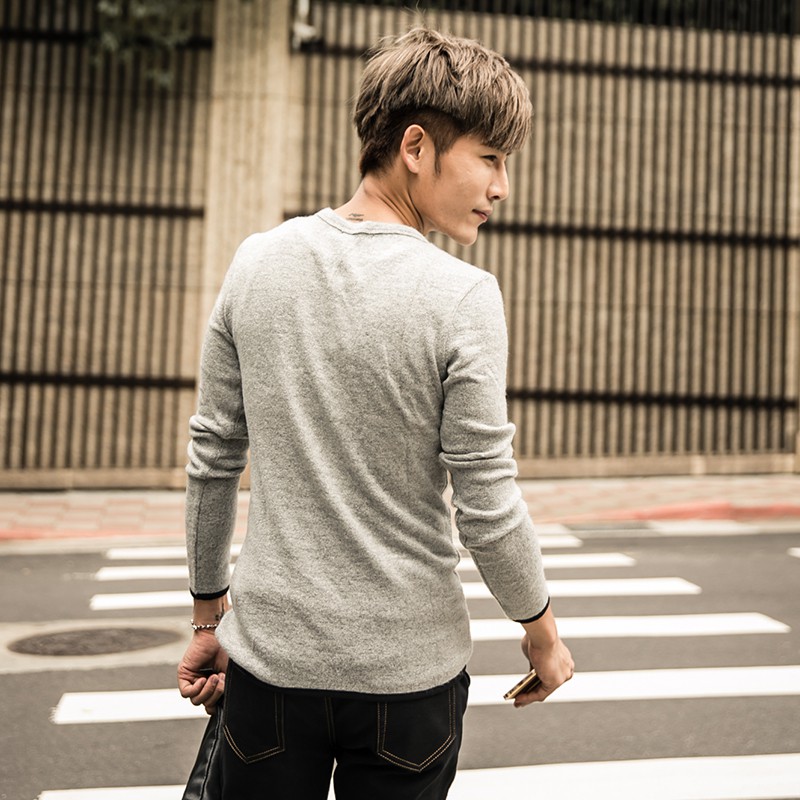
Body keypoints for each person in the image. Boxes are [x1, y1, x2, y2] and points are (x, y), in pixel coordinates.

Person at [178, 26, 574, 800]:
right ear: (416, 147)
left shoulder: (257, 262)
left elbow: (214, 457)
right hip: (408, 681)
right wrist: (542, 635)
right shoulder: (463, 296)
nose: (502, 187)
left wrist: (206, 617)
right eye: (490, 158)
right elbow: (486, 500)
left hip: (271, 668)